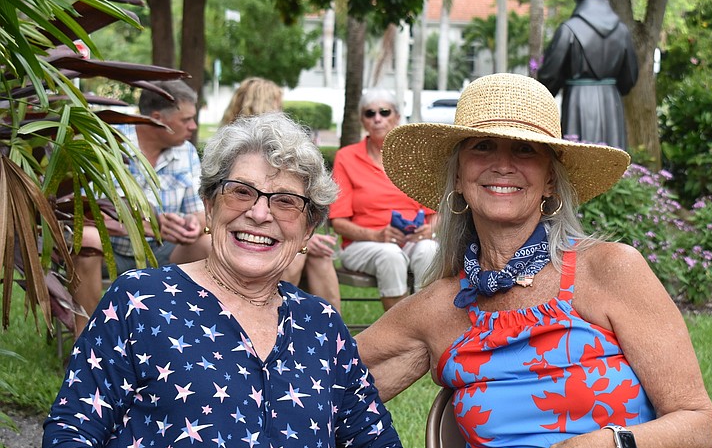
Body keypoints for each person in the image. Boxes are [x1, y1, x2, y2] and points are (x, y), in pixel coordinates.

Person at [357, 73, 712, 448]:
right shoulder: (439, 309)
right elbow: (323, 382)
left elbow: (699, 425)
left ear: (550, 179)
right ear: (459, 177)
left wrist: (603, 447)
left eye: (525, 150)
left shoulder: (610, 270)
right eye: (482, 146)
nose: (502, 164)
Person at [42, 112, 405, 448]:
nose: (259, 213)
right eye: (241, 192)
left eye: (285, 201)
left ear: (308, 229)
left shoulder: (321, 325)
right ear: (210, 206)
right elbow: (67, 436)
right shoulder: (141, 300)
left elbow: (378, 443)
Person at [70, 80, 210, 336]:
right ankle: (85, 341)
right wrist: (148, 225)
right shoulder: (107, 144)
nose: (193, 126)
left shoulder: (186, 152)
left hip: (164, 251)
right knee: (88, 238)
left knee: (209, 245)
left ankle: (195, 337)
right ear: (157, 119)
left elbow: (200, 213)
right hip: (111, 251)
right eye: (186, 119)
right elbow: (84, 211)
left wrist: (192, 225)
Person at [221, 77, 342, 311]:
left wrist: (305, 237)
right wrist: (302, 242)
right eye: (277, 102)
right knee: (299, 254)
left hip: (284, 232)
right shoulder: (233, 151)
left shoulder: (287, 152)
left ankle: (333, 326)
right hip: (224, 237)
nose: (281, 109)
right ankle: (279, 313)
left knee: (318, 254)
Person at [329, 88, 438, 311]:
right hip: (363, 244)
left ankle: (425, 322)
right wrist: (377, 235)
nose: (377, 118)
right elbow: (338, 222)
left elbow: (435, 214)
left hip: (412, 240)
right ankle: (400, 328)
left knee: (430, 249)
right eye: (370, 113)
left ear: (396, 117)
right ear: (363, 120)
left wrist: (430, 231)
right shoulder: (347, 157)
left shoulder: (413, 157)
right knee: (390, 255)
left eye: (384, 112)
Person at [537, 0, 639, 149]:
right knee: (612, 159)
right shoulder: (622, 31)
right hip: (611, 104)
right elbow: (629, 77)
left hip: (577, 102)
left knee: (577, 157)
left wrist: (546, 93)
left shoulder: (568, 29)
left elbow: (549, 74)